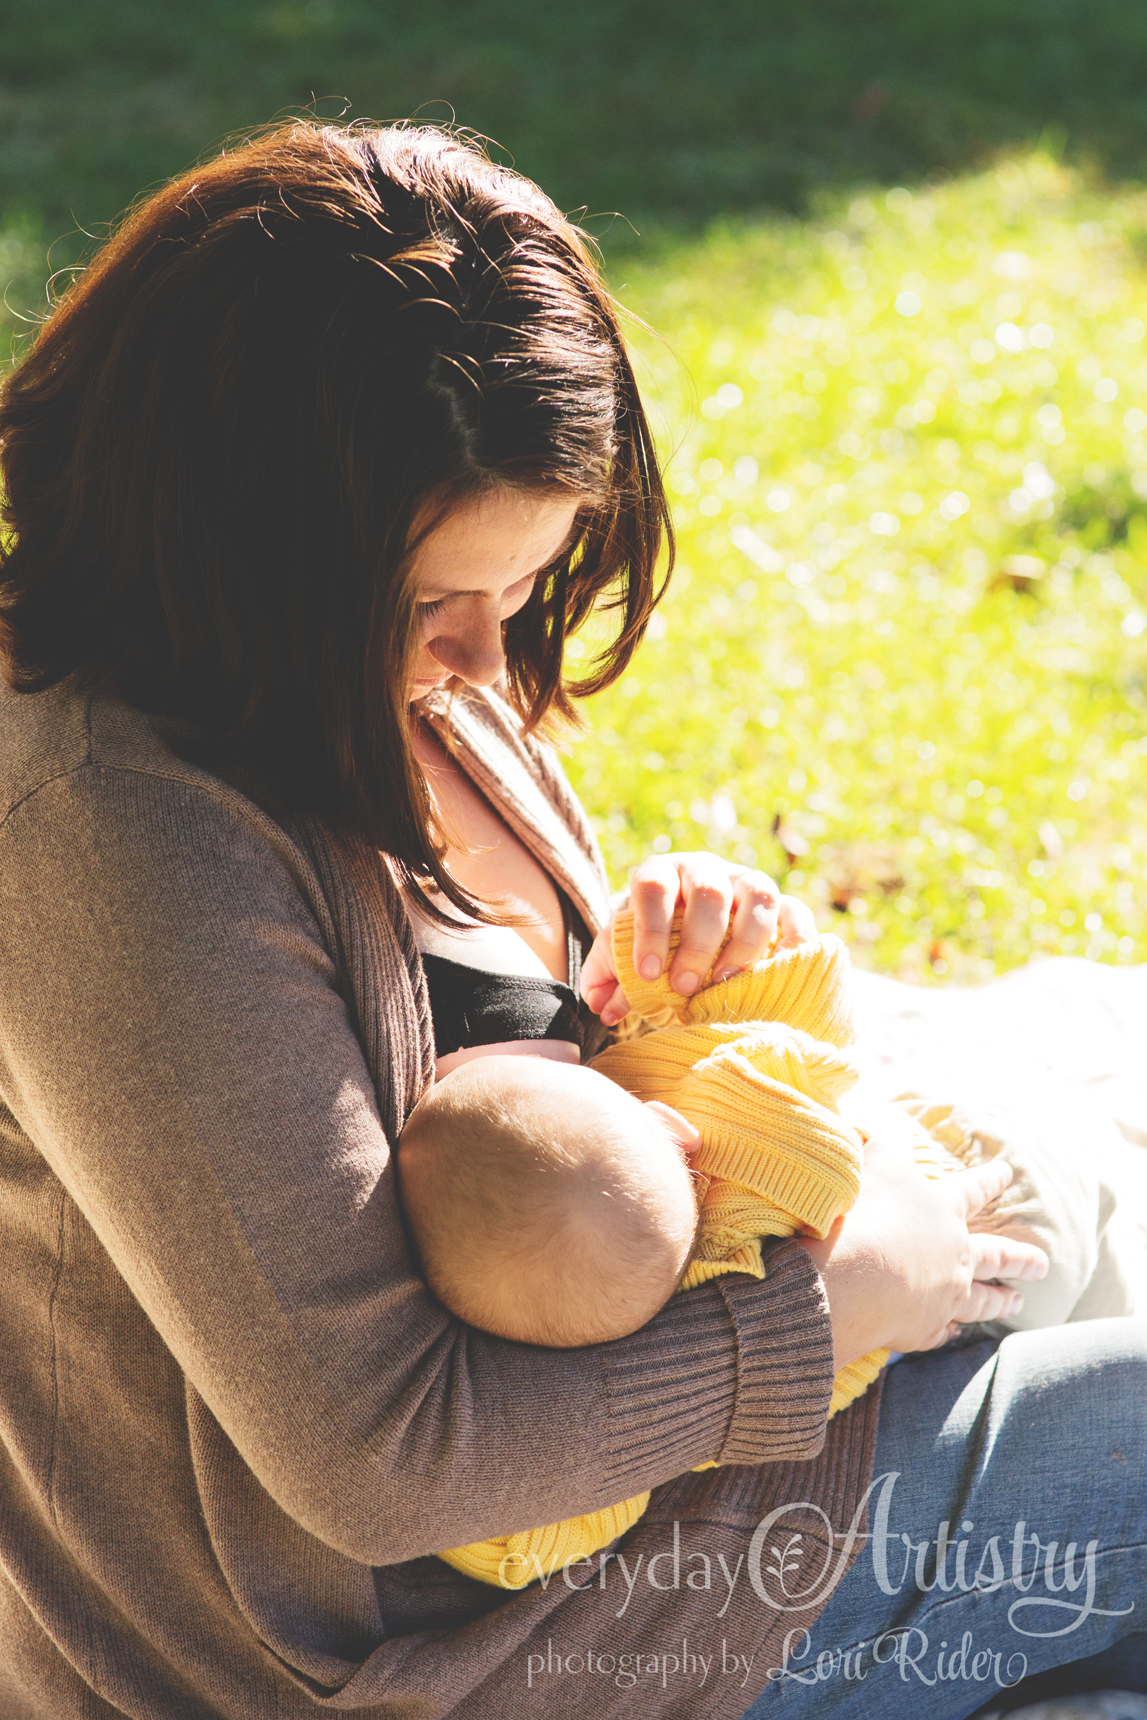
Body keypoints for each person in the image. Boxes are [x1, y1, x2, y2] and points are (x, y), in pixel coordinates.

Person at [0, 119, 1141, 1720]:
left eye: (525, 590)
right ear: (241, 551)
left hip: (672, 1450)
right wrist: (831, 1311)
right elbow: (381, 1463)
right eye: (427, 607)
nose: (485, 664)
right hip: (442, 1653)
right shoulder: (116, 840)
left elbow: (542, 1057)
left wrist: (673, 971)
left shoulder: (370, 675)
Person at [398, 913, 1146, 1593]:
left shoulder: (623, 1370)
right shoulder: (708, 1101)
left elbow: (523, 1544)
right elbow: (803, 1004)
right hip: (986, 1193)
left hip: (976, 1277)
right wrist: (662, 954)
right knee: (1105, 1214)